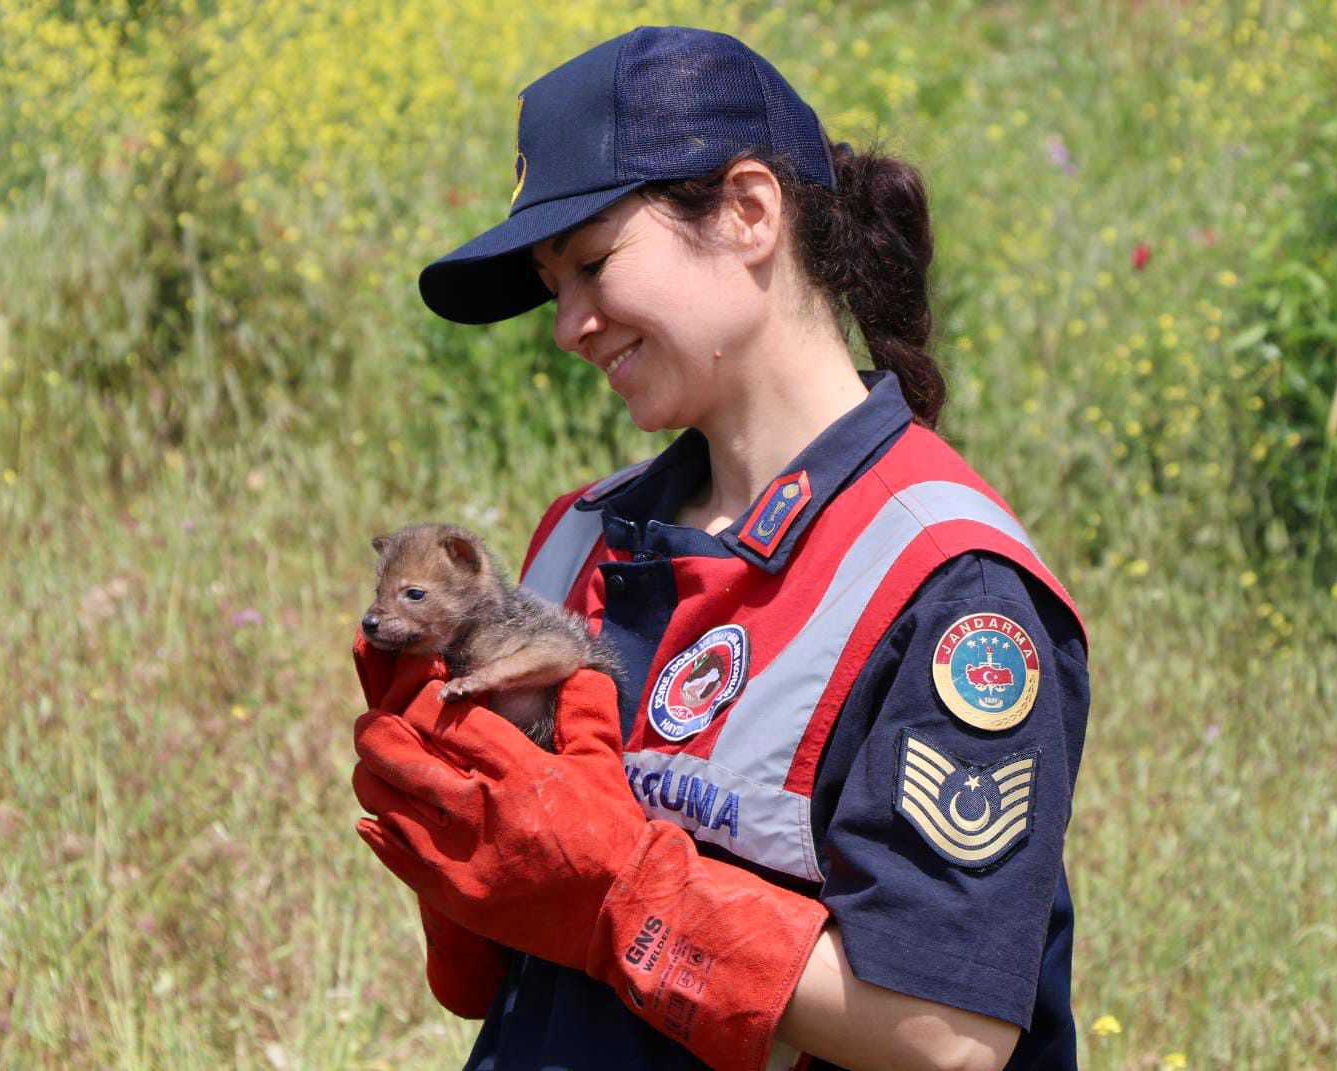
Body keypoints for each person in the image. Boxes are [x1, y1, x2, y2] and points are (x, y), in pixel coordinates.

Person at [351, 25, 1091, 1071]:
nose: (567, 325)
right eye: (551, 286)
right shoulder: (575, 539)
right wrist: (466, 870)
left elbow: (948, 1037)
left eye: (594, 265)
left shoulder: (943, 584)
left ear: (749, 212)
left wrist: (620, 893)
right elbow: (518, 963)